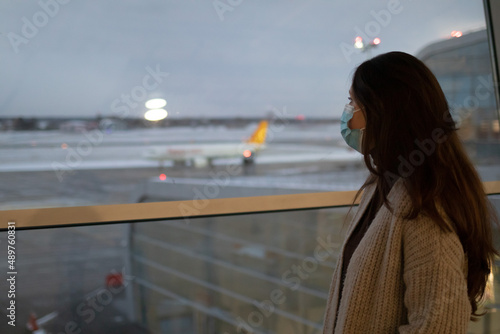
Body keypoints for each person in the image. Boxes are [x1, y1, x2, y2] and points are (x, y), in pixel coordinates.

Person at [322, 51, 499, 333]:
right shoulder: (385, 184)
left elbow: (439, 326)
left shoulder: (425, 207)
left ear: (384, 112)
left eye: (352, 102)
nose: (347, 115)